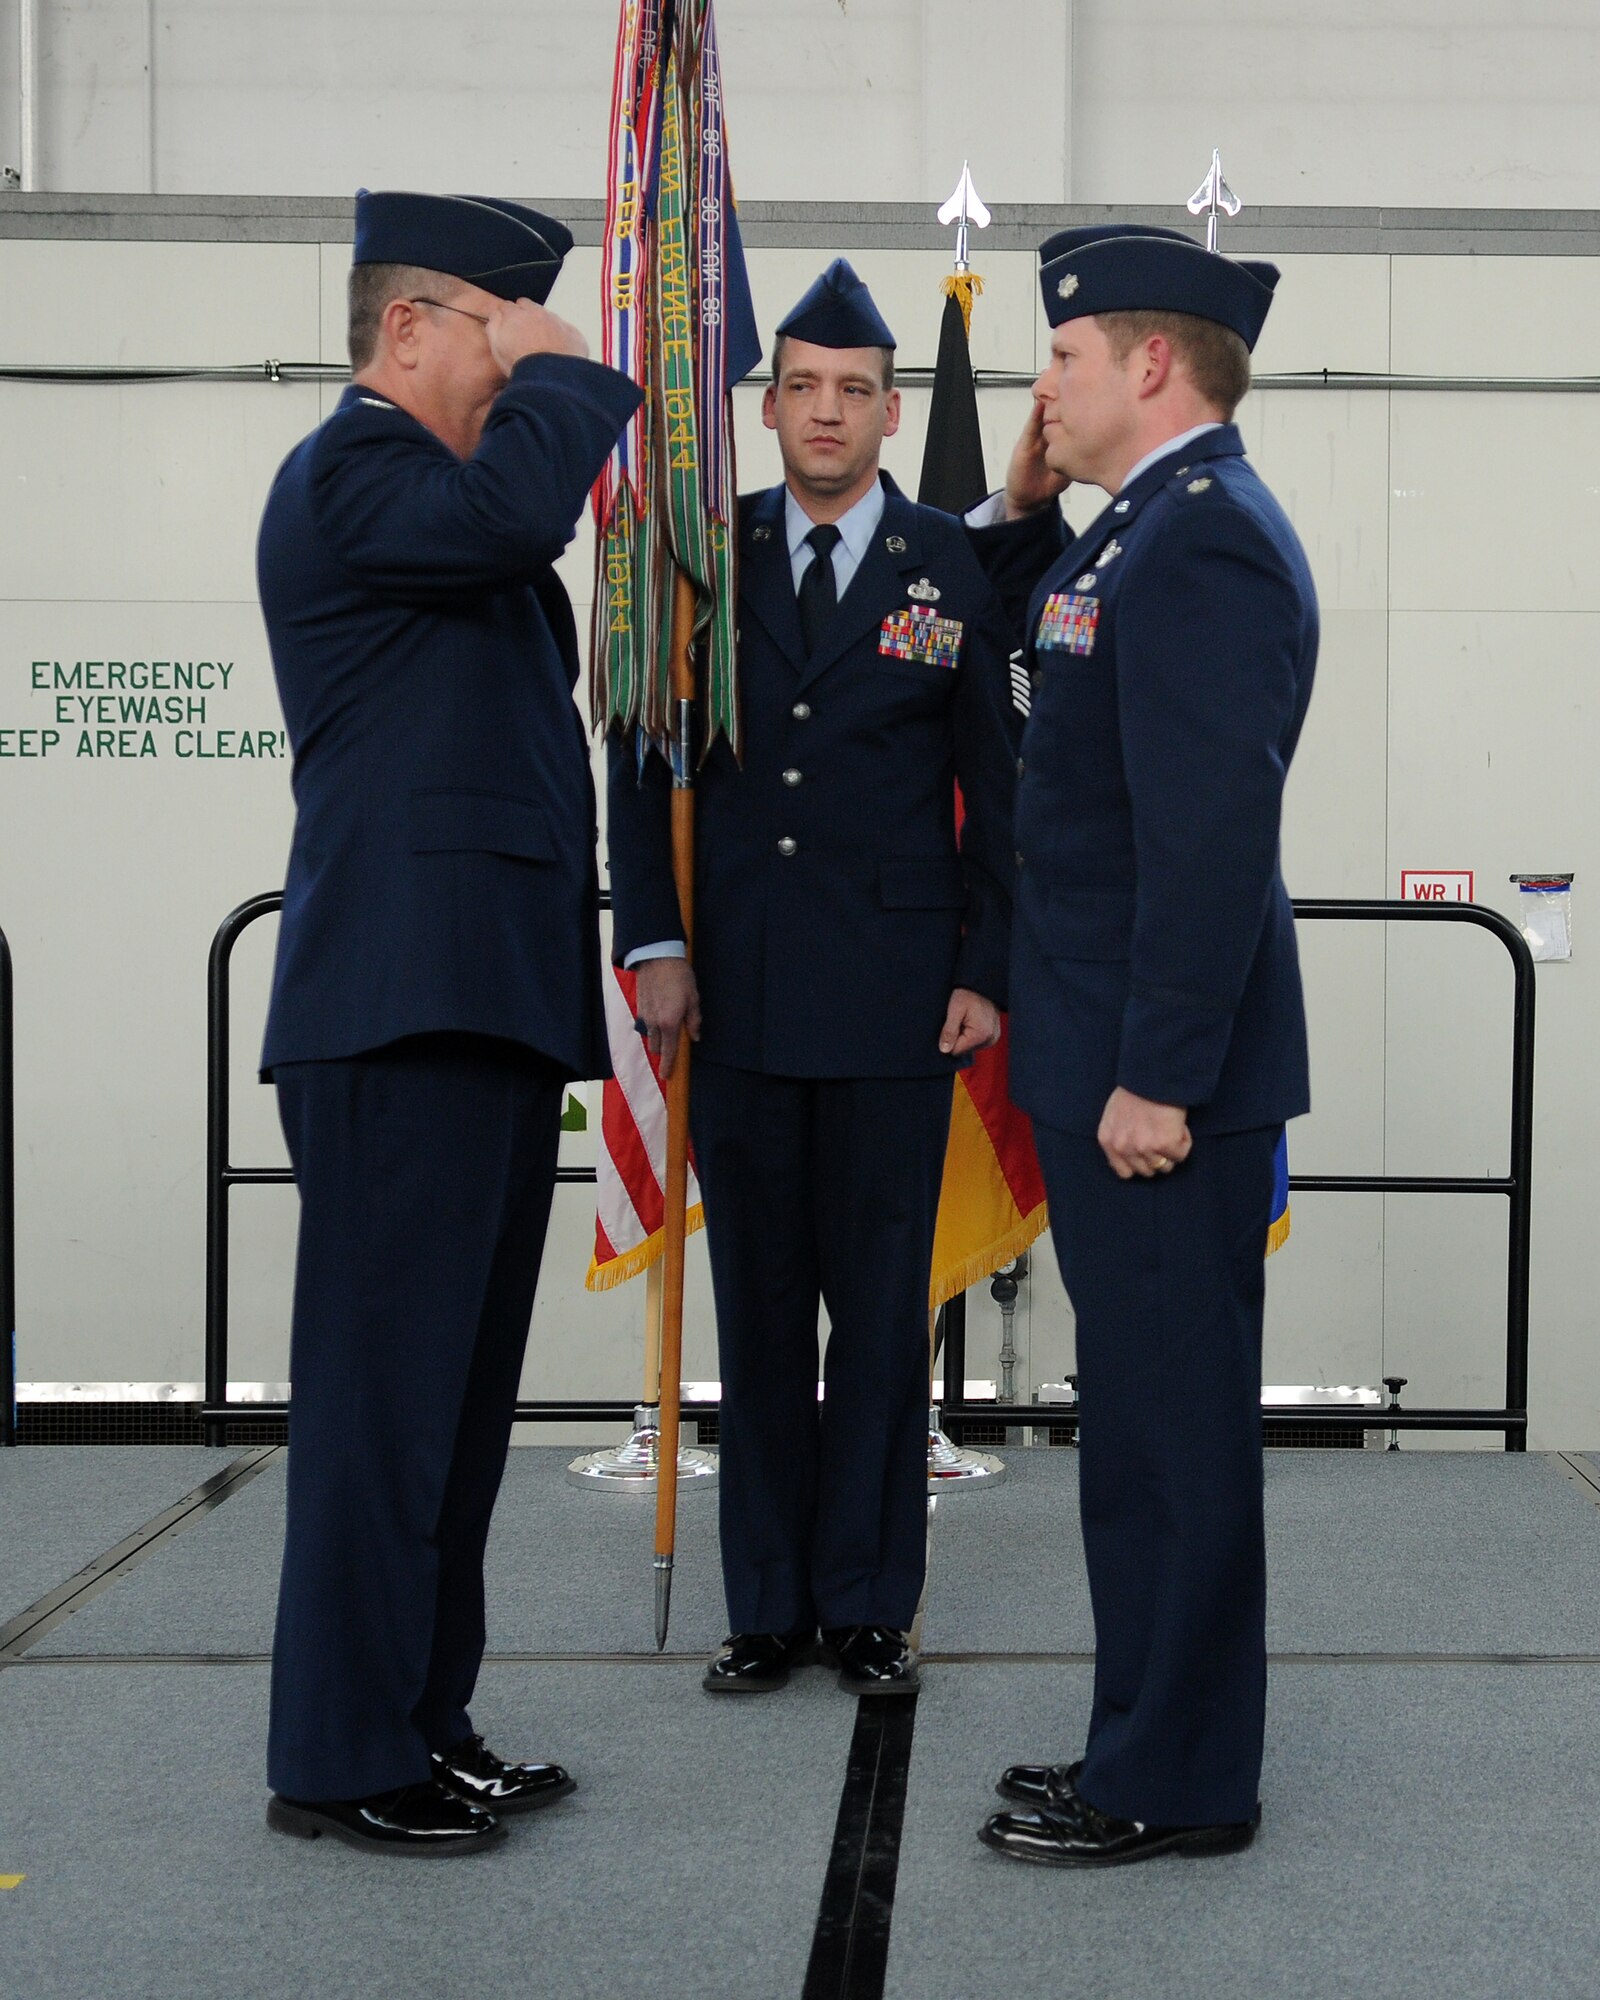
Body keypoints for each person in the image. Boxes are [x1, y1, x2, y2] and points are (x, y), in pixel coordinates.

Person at [255, 189, 642, 1855]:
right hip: (397, 1009)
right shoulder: (352, 471)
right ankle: (338, 1754)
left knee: (457, 1411)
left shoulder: (431, 498)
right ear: (406, 326)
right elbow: (508, 518)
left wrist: (541, 373)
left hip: (477, 1004)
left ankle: (425, 1716)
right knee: (381, 1407)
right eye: (504, 327)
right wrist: (579, 376)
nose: (525, 362)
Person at [608, 260, 1019, 1696]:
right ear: (767, 404)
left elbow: (998, 785)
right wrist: (653, 940)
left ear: (893, 414)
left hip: (901, 999)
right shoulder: (699, 556)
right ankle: (766, 1605)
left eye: (855, 390)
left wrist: (989, 967)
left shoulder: (947, 568)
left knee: (879, 1319)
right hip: (739, 994)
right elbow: (643, 756)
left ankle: (865, 1604)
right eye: (802, 387)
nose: (827, 412)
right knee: (763, 1313)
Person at [967, 225, 1318, 1866]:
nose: (1040, 386)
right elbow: (1031, 669)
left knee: (1173, 1441)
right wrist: (1029, 513)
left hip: (1156, 1090)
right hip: (1115, 1065)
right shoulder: (1136, 539)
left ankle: (1176, 1783)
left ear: (1149, 365)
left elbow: (1209, 836)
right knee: (1145, 1437)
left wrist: (1161, 1073)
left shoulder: (1207, 546)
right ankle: (1142, 1740)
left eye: (1062, 358)